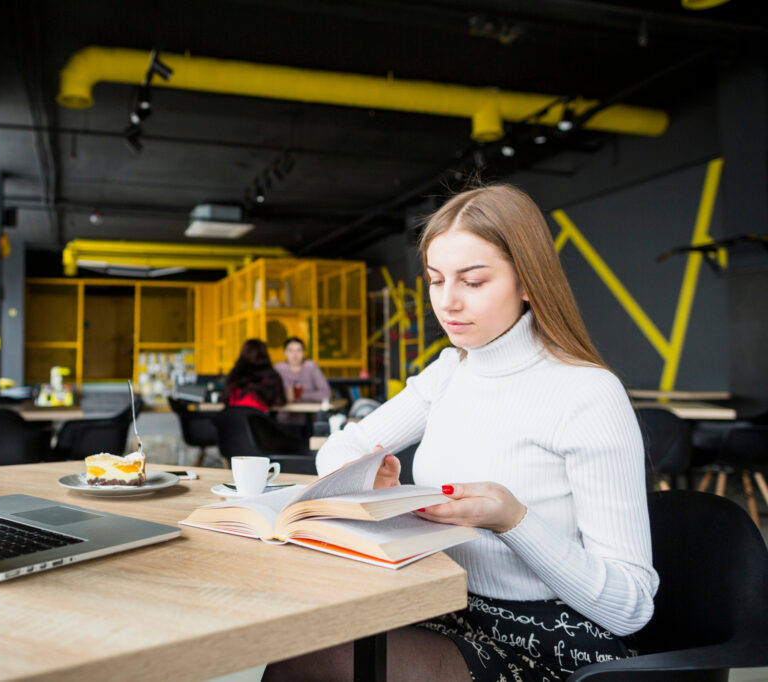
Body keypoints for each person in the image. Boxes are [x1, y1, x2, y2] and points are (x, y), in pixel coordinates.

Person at [263, 184, 658, 682]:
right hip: (440, 604)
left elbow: (630, 606)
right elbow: (347, 443)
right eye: (435, 280)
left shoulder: (588, 394)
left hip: (551, 638)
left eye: (473, 282)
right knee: (301, 636)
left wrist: (512, 520)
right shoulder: (451, 370)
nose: (447, 303)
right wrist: (362, 480)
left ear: (528, 282)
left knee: (314, 658)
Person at [273, 337, 331, 431]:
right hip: (284, 421)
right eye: (291, 350)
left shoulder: (310, 366)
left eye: (298, 350)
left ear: (304, 352)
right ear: (285, 352)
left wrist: (299, 396)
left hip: (310, 422)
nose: (295, 355)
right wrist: (285, 396)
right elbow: (271, 394)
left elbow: (326, 393)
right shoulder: (279, 368)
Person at [223, 338, 286, 412]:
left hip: (232, 420)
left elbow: (225, 399)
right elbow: (280, 402)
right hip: (256, 421)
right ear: (265, 354)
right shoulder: (271, 376)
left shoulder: (234, 376)